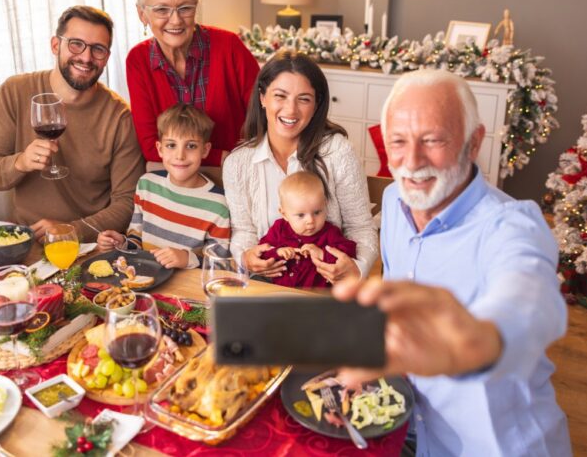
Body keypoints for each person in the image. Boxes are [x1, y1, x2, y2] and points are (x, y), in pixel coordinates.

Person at [334, 69, 571, 456]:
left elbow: (529, 299)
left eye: (433, 140)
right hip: (406, 427)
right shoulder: (395, 200)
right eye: (398, 141)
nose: (412, 161)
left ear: (473, 142)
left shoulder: (513, 224)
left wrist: (479, 341)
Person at [0, 6, 144, 241]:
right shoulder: (14, 91)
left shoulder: (119, 116)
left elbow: (127, 204)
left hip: (90, 245)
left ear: (107, 56)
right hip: (27, 240)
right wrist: (21, 162)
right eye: (76, 44)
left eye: (98, 49)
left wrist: (71, 231)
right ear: (56, 45)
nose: (86, 57)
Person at [223, 50, 378, 283]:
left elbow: (361, 228)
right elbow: (244, 231)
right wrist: (245, 256)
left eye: (304, 99)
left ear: (316, 105)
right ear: (262, 98)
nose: (291, 110)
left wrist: (356, 269)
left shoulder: (338, 152)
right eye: (280, 96)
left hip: (327, 289)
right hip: (266, 287)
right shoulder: (237, 163)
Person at [126, 0, 260, 167]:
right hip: (177, 181)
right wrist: (221, 157)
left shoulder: (229, 46)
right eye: (162, 9)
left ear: (195, 8)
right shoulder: (138, 60)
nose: (176, 20)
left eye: (185, 8)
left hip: (239, 173)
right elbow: (151, 145)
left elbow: (264, 116)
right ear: (142, 14)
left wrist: (239, 164)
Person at [96, 103, 230, 269]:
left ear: (205, 150)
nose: (180, 155)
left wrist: (188, 259)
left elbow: (223, 267)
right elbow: (136, 241)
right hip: (145, 279)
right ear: (160, 149)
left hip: (187, 290)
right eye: (171, 145)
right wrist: (121, 243)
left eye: (191, 146)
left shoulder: (219, 205)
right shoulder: (146, 185)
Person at [259, 171, 357, 289]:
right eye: (301, 215)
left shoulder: (330, 233)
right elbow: (262, 251)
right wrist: (278, 252)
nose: (310, 220)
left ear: (325, 205)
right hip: (282, 294)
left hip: (319, 298)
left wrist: (322, 254)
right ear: (284, 214)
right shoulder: (279, 229)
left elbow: (348, 254)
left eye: (317, 212)